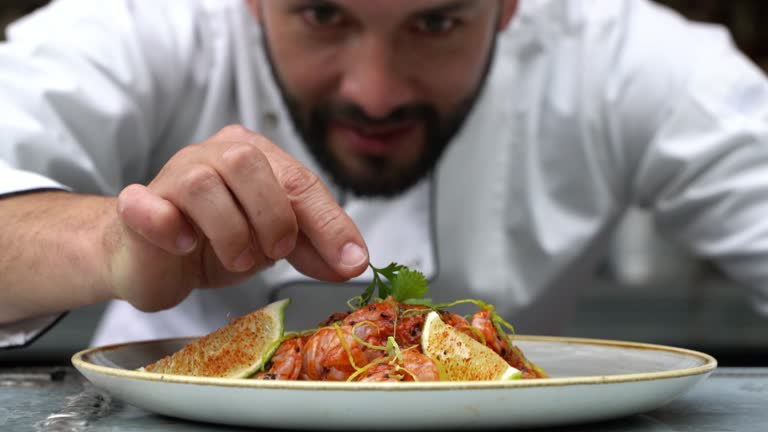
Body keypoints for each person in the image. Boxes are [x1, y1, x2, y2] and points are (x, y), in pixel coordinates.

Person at [1, 0, 767, 348]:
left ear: (507, 8)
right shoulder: (141, 25)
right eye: (323, 16)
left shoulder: (624, 59)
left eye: (436, 23)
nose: (375, 92)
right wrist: (111, 242)